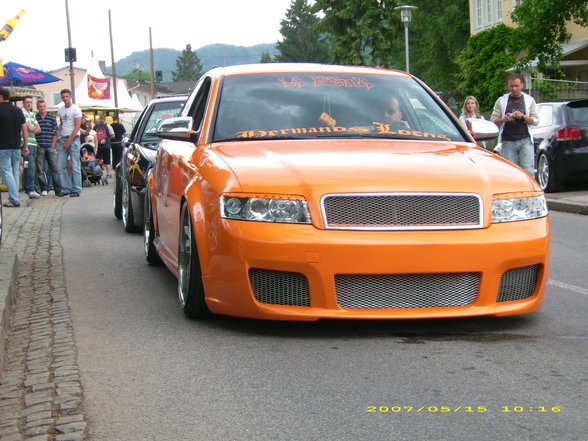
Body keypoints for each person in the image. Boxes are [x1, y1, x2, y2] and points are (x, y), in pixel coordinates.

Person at [491, 74, 539, 175]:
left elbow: (536, 121)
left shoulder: (529, 100)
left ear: (522, 85)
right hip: (508, 141)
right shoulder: (502, 100)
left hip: (525, 140)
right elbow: (493, 120)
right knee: (511, 172)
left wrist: (523, 116)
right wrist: (504, 119)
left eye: (516, 86)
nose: (514, 88)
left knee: (528, 170)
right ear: (508, 86)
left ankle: (529, 190)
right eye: (512, 86)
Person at [0, 87, 29, 207]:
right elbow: (24, 128)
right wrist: (25, 145)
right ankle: (15, 196)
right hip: (16, 146)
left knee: (7, 172)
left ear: (1, 96)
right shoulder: (18, 110)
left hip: (3, 146)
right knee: (14, 172)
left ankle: (14, 199)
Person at [56, 89, 83, 197]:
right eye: (63, 97)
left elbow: (77, 126)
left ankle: (76, 188)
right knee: (60, 165)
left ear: (70, 96)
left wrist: (69, 140)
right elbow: (63, 122)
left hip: (74, 138)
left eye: (67, 96)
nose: (65, 99)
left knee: (75, 165)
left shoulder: (76, 109)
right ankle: (66, 187)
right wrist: (59, 129)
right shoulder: (60, 110)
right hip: (63, 137)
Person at [35, 99, 61, 196]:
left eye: (43, 106)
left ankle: (58, 189)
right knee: (40, 169)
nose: (42, 108)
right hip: (40, 146)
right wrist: (37, 144)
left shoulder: (51, 117)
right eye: (40, 106)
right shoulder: (35, 117)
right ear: (38, 108)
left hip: (50, 146)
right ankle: (44, 188)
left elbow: (55, 131)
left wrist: (53, 144)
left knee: (54, 168)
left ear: (46, 107)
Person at [21, 96, 42, 199]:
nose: (29, 104)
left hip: (33, 142)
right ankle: (29, 189)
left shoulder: (32, 114)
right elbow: (27, 127)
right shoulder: (22, 113)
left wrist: (33, 128)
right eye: (27, 102)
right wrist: (33, 128)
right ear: (23, 103)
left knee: (32, 167)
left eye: (30, 102)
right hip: (26, 142)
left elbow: (39, 129)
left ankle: (31, 187)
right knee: (28, 166)